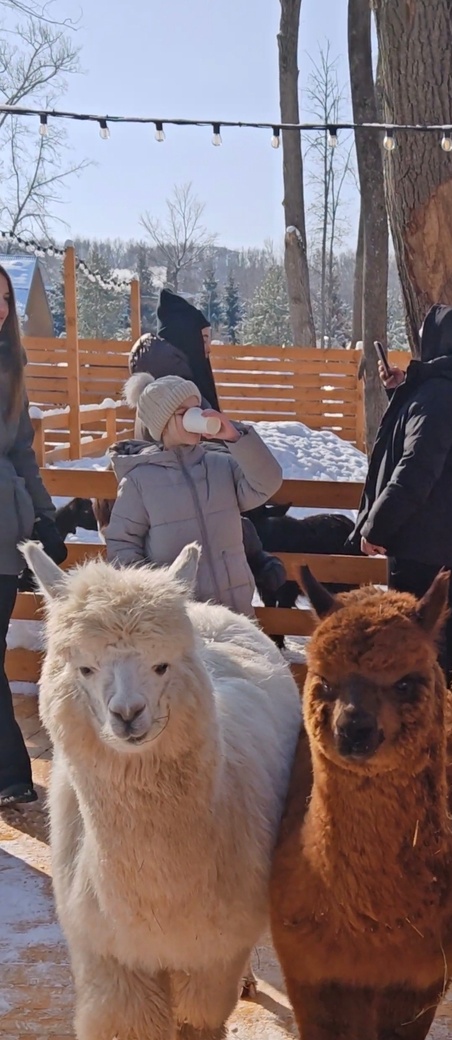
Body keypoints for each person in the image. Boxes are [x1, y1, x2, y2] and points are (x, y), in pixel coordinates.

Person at [349, 304, 452, 685]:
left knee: (416, 639)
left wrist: (378, 526)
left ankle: (429, 719)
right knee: (441, 629)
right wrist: (405, 389)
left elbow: (416, 469)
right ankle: (450, 713)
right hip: (444, 535)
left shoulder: (438, 397)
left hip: (420, 538)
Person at [105, 374, 282, 617]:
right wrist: (152, 597)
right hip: (181, 621)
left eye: (197, 409)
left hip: (234, 614)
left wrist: (235, 436)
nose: (196, 416)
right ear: (163, 422)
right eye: (184, 412)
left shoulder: (221, 466)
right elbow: (122, 545)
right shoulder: (140, 481)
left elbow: (267, 482)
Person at [0, 264, 66, 805]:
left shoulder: (10, 368)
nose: (0, 307)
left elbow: (22, 453)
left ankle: (10, 774)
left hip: (2, 526)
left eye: (4, 298)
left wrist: (45, 517)